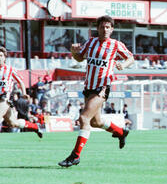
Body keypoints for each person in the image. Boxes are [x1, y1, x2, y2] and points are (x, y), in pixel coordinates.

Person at [58, 15, 135, 167]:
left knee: (84, 119)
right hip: (88, 86)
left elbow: (131, 58)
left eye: (108, 27)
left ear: (112, 29)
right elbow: (80, 58)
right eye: (102, 27)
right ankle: (121, 132)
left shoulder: (115, 45)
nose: (105, 30)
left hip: (102, 86)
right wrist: (73, 52)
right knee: (96, 121)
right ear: (97, 28)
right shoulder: (91, 42)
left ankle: (75, 156)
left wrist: (123, 65)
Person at [0, 46, 42, 138]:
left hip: (4, 99)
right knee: (13, 123)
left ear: (4, 58)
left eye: (1, 55)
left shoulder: (10, 70)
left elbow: (20, 82)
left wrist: (23, 93)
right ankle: (35, 126)